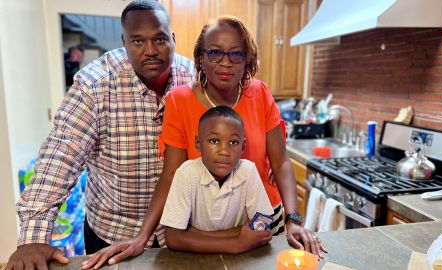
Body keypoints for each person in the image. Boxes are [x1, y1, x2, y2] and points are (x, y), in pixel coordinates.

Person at [83, 15, 326, 269]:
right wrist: (142, 237)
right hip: (208, 229)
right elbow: (171, 174)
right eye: (215, 53)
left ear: (247, 59)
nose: (225, 63)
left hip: (262, 222)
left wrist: (294, 219)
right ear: (200, 57)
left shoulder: (260, 94)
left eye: (236, 54)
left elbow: (281, 162)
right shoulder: (179, 101)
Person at [5, 1, 195, 270]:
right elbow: (60, 157)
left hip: (182, 232)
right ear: (124, 42)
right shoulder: (95, 86)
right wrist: (33, 238)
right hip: (113, 235)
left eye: (160, 39)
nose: (151, 50)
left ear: (173, 38)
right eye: (138, 41)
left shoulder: (194, 79)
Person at [161, 106, 273, 253]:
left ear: (243, 146)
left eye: (233, 142)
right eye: (214, 141)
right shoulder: (186, 173)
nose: (224, 151)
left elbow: (262, 225)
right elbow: (173, 238)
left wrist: (198, 234)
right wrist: (236, 244)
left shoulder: (248, 171)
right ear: (198, 143)